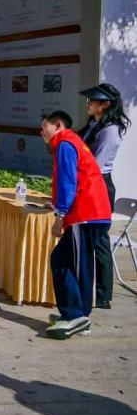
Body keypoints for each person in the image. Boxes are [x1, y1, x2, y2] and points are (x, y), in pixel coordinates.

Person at [40, 110, 111, 340]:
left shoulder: (65, 143)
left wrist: (60, 216)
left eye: (45, 126)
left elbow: (68, 183)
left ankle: (76, 315)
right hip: (90, 213)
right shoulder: (71, 142)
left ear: (58, 125)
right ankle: (76, 314)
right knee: (64, 260)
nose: (41, 132)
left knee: (73, 264)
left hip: (86, 214)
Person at [77, 83, 130, 310]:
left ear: (106, 104)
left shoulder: (110, 132)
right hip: (89, 182)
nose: (88, 104)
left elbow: (95, 167)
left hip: (99, 185)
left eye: (92, 101)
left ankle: (103, 295)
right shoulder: (94, 124)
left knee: (99, 240)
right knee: (90, 238)